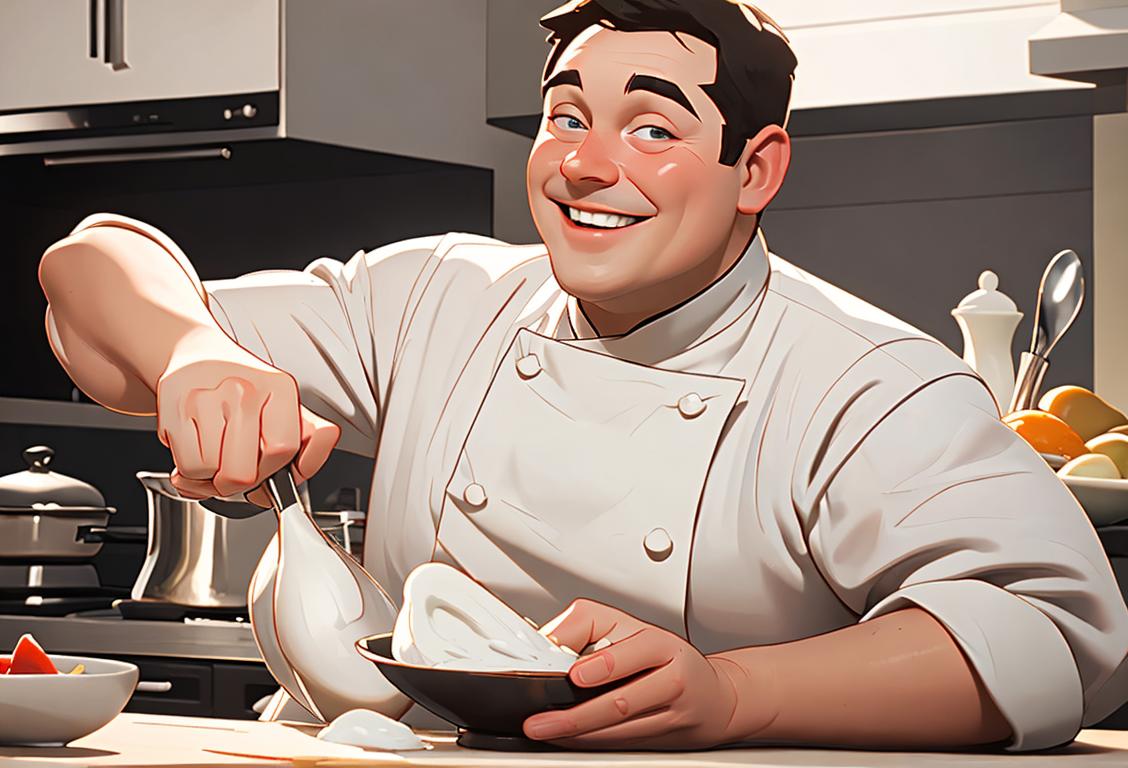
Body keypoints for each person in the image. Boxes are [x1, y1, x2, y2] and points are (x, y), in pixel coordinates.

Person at [38, 0, 1128, 753]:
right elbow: (89, 283)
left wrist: (736, 695)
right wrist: (196, 353)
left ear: (757, 168)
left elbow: (1056, 644)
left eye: (651, 127)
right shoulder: (439, 298)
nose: (586, 165)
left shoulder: (865, 382)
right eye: (566, 117)